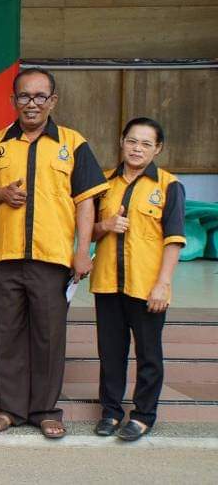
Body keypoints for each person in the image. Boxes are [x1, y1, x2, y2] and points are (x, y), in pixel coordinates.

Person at [0, 67, 109, 439]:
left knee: (49, 336)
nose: (31, 103)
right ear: (12, 100)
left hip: (52, 259)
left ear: (52, 101)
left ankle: (46, 410)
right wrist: (0, 195)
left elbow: (86, 203)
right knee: (6, 333)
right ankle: (9, 408)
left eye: (39, 97)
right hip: (5, 257)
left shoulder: (73, 143)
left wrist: (83, 252)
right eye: (24, 96)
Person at [90, 117, 185, 441]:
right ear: (121, 141)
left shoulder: (169, 186)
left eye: (146, 143)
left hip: (146, 288)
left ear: (157, 149)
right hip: (107, 284)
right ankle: (111, 412)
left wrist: (163, 283)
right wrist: (106, 226)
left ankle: (144, 415)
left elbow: (173, 239)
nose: (137, 148)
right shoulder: (103, 183)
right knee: (110, 353)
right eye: (132, 141)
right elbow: (86, 230)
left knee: (148, 354)